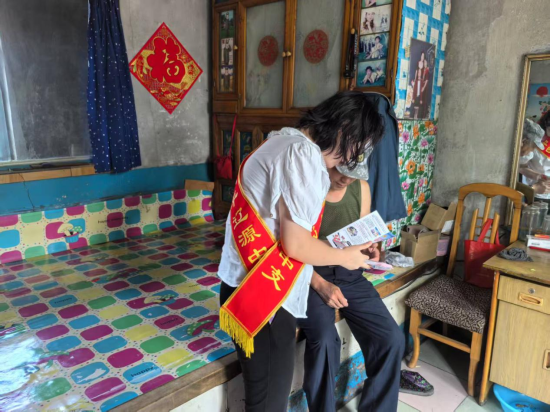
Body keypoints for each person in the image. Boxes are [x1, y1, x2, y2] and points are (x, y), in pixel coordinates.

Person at [218, 91, 385, 412]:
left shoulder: (280, 141)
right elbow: (295, 244)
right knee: (269, 404)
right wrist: (346, 257)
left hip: (249, 286)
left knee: (264, 398)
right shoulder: (303, 155)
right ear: (344, 130)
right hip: (263, 296)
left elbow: (282, 235)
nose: (354, 158)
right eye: (358, 146)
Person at [298, 160, 405, 412]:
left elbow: (363, 235)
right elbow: (292, 249)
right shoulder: (305, 189)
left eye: (353, 175)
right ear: (328, 160)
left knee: (391, 339)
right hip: (310, 275)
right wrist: (320, 284)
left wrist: (371, 250)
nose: (347, 179)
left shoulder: (361, 188)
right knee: (325, 342)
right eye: (341, 171)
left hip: (350, 271)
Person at [519, 116, 550, 206]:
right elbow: (520, 167)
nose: (531, 150)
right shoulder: (535, 138)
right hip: (532, 191)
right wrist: (534, 186)